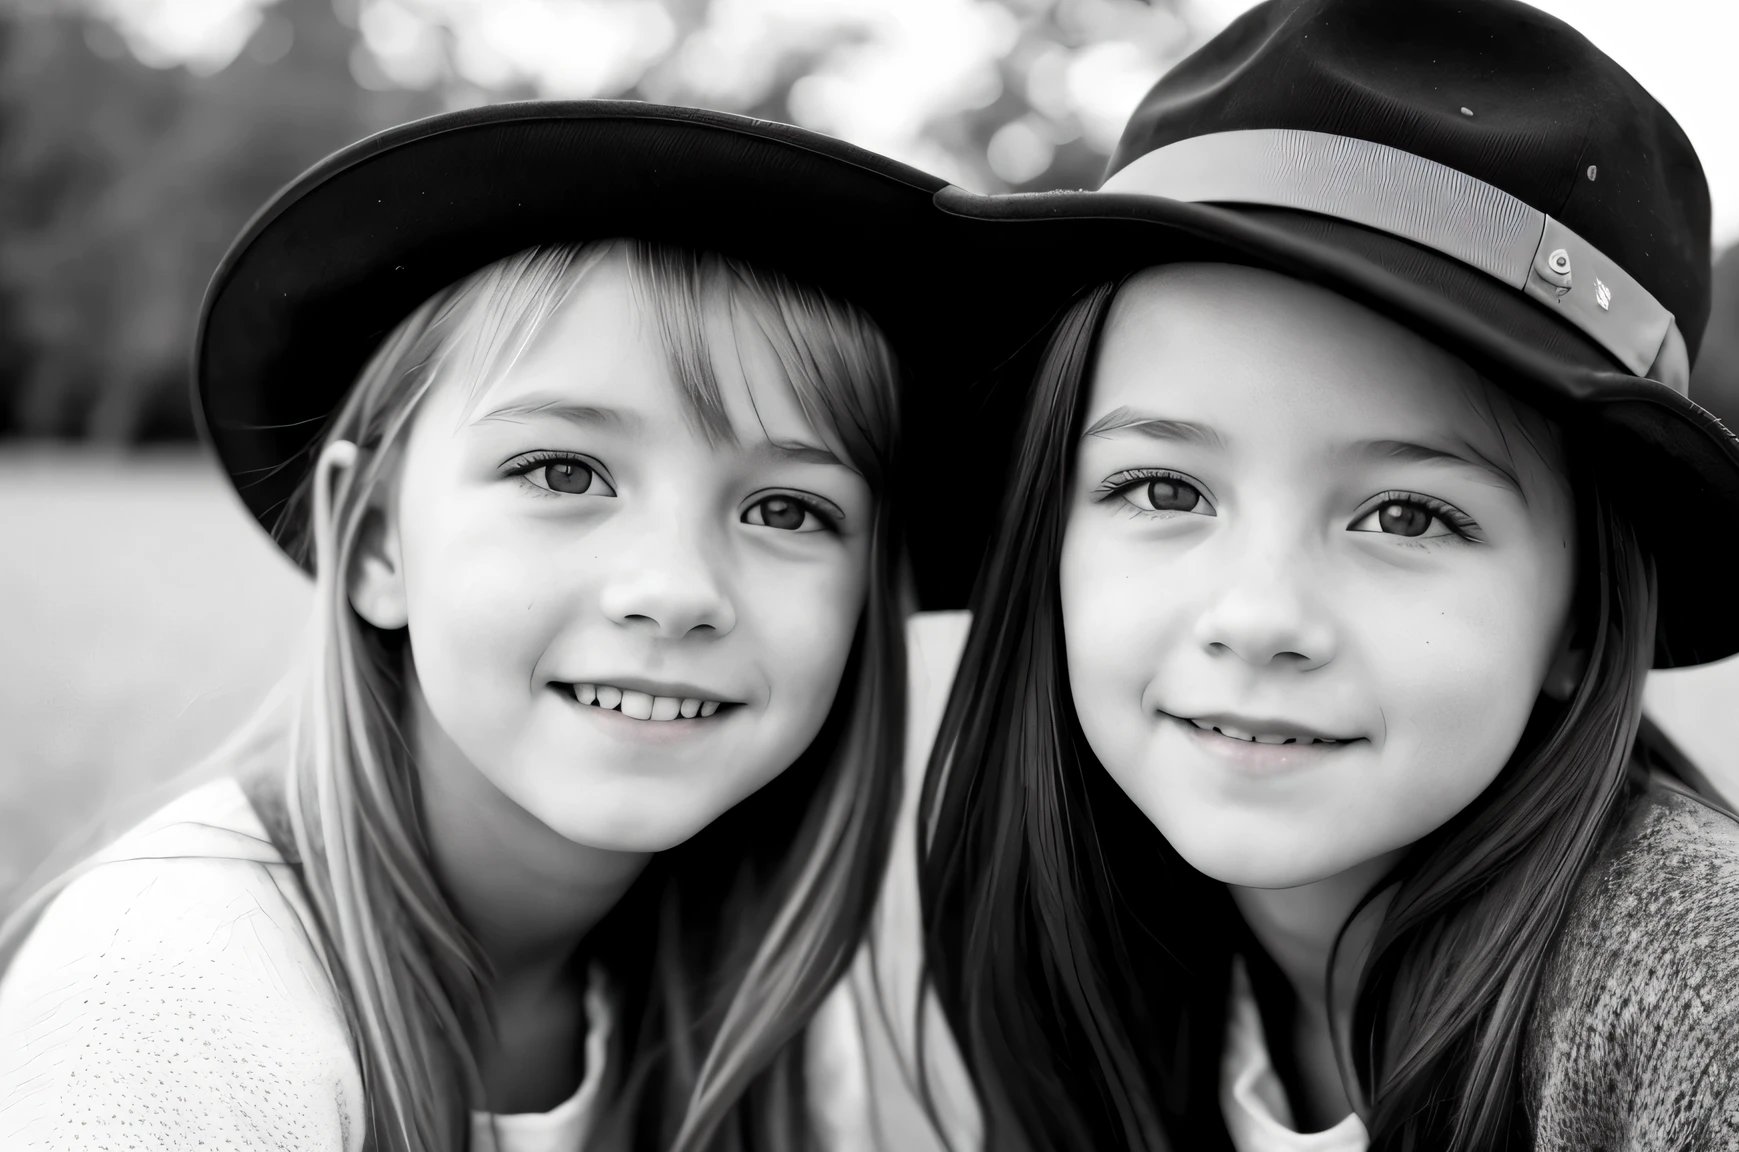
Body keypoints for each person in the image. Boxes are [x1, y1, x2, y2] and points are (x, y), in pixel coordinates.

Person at [913, 1, 1739, 1149]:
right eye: (1163, 491)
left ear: (1583, 620)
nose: (1257, 618)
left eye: (1404, 514)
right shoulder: (1074, 944)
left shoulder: (1731, 1014)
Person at [0, 101, 1033, 1152]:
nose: (675, 590)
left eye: (786, 510)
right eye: (563, 472)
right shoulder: (166, 1010)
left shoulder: (756, 989)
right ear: (375, 545)